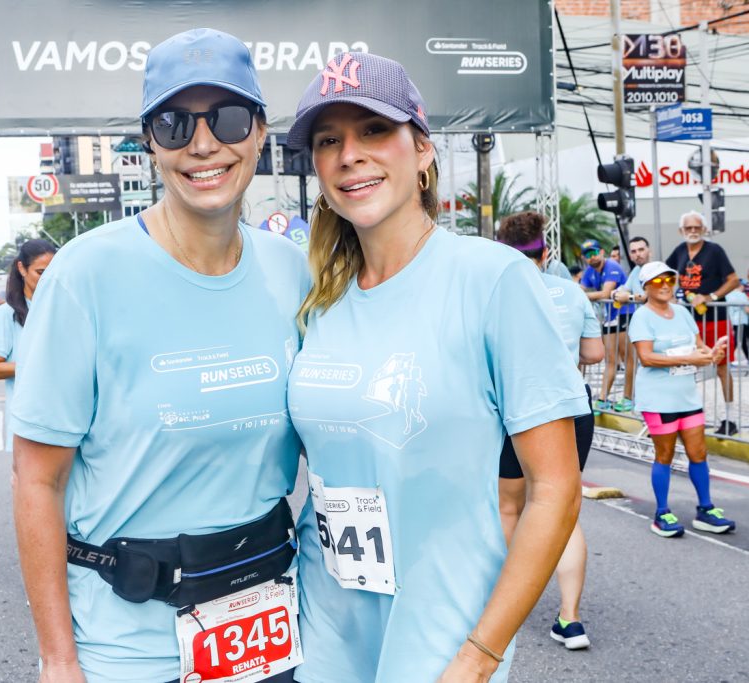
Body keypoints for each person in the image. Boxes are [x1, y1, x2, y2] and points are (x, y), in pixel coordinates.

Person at [10, 28, 308, 683]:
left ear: (260, 132)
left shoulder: (293, 271)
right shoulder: (86, 275)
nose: (203, 144)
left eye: (227, 118)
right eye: (175, 124)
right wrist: (59, 660)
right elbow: (37, 481)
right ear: (149, 143)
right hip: (130, 651)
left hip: (267, 637)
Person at [285, 51, 588, 683]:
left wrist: (481, 654)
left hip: (444, 633)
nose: (350, 154)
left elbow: (555, 491)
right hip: (326, 625)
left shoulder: (494, 279)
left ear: (422, 150)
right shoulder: (319, 300)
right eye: (328, 139)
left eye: (374, 130)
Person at [497, 211, 604, 651]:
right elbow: (594, 354)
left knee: (508, 509)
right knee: (562, 509)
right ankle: (571, 619)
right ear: (547, 251)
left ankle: (505, 609)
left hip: (517, 410)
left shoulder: (498, 293)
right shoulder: (573, 291)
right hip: (572, 408)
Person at [628, 261, 736, 538]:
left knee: (698, 453)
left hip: (687, 395)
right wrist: (690, 358)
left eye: (669, 280)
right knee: (664, 455)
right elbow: (646, 357)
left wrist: (715, 354)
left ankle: (705, 509)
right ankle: (661, 513)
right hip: (657, 398)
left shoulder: (682, 313)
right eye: (657, 281)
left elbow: (700, 350)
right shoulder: (642, 317)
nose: (664, 285)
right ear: (646, 287)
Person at [665, 210, 740, 435]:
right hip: (688, 320)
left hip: (715, 319)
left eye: (697, 227)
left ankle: (730, 418)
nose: (693, 231)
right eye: (688, 228)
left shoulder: (714, 251)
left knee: (722, 367)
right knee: (685, 367)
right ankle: (686, 415)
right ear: (681, 231)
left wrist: (711, 297)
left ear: (704, 229)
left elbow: (734, 280)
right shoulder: (679, 252)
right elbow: (667, 276)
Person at [0, 239, 56, 452]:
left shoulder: (62, 308)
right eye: (40, 272)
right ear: (21, 269)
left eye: (52, 271)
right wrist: (37, 366)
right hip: (28, 418)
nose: (47, 278)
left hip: (64, 415)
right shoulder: (6, 315)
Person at [580, 239, 636, 412]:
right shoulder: (589, 271)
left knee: (627, 358)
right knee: (610, 359)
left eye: (595, 252)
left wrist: (582, 296)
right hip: (609, 317)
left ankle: (628, 398)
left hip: (624, 314)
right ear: (584, 258)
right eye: (588, 255)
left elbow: (604, 293)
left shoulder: (612, 266)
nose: (592, 257)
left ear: (602, 252)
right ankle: (603, 398)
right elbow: (581, 289)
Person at [613, 236, 652, 306]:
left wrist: (629, 297)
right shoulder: (636, 270)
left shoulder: (656, 270)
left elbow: (648, 297)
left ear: (649, 252)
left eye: (641, 250)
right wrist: (615, 293)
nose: (638, 254)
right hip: (640, 316)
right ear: (630, 256)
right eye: (633, 251)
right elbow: (625, 289)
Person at [726, 281, 749, 365]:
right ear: (741, 286)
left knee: (739, 340)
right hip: (741, 320)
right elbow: (747, 309)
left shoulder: (728, 295)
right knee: (738, 341)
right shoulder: (742, 295)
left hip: (731, 320)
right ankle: (729, 360)